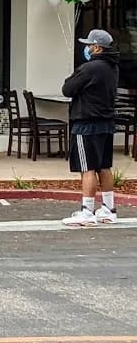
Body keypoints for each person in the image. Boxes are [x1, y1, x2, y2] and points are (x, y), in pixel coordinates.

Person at [61, 28, 120, 227]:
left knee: (87, 168)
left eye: (89, 45)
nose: (86, 48)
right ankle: (109, 208)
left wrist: (75, 74)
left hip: (86, 123)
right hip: (106, 123)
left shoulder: (89, 68)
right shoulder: (112, 67)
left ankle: (87, 211)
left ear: (97, 48)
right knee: (104, 167)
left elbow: (67, 89)